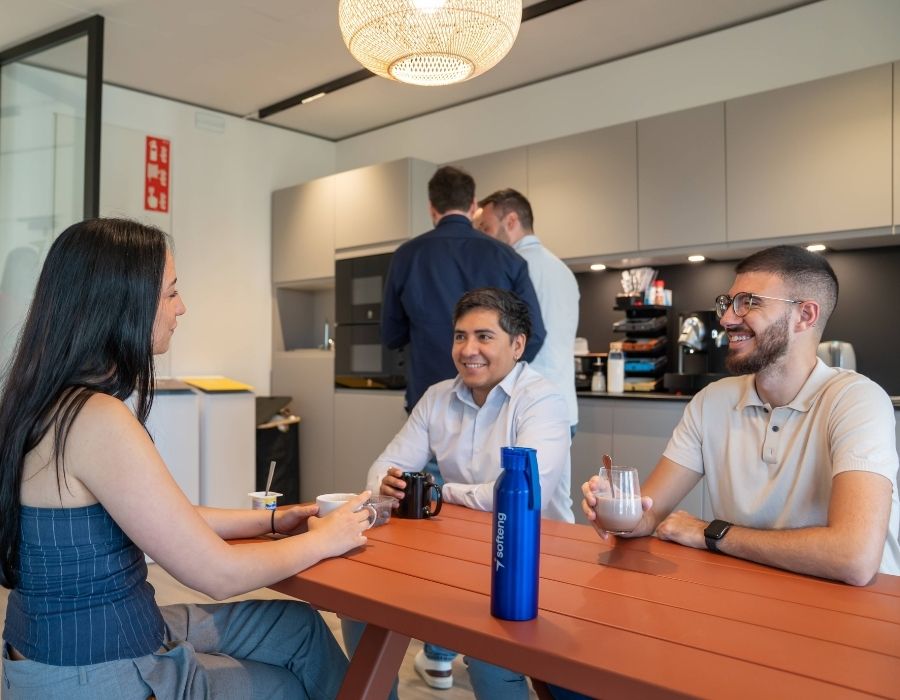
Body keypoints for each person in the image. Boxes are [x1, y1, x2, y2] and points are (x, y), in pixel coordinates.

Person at [0, 218, 374, 699]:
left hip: (81, 642)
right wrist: (328, 538)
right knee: (284, 686)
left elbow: (164, 518)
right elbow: (217, 575)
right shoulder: (96, 419)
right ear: (125, 304)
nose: (182, 308)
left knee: (296, 626)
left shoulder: (44, 403)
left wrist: (276, 521)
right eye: (171, 293)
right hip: (98, 668)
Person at [581, 245, 900, 584]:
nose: (727, 318)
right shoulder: (711, 402)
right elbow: (647, 517)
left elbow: (854, 558)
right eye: (728, 302)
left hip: (861, 613)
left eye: (749, 302)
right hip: (750, 593)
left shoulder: (858, 401)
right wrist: (615, 511)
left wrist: (713, 534)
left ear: (805, 316)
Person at [343, 288, 573, 699]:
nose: (468, 350)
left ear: (517, 344)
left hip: (536, 560)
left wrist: (438, 491)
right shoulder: (437, 398)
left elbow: (519, 493)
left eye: (484, 337)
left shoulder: (542, 401)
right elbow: (382, 466)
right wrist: (388, 483)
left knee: (488, 652)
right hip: (458, 554)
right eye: (460, 336)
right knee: (359, 603)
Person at [382, 165, 546, 414]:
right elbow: (534, 334)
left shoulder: (406, 256)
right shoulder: (507, 257)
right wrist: (496, 370)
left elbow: (391, 335)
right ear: (473, 206)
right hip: (492, 402)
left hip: (429, 400)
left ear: (432, 208)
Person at [476, 188, 580, 434]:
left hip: (526, 407)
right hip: (564, 406)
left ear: (511, 221)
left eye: (486, 228)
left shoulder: (512, 268)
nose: (482, 237)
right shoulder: (562, 269)